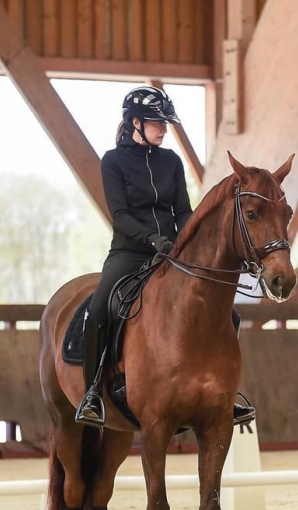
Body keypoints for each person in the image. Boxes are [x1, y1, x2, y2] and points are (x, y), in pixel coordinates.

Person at [75, 85, 255, 428]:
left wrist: (188, 240)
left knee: (227, 314)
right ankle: (93, 392)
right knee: (99, 308)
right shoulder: (113, 161)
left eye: (165, 123)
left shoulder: (170, 161)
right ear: (135, 123)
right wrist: (151, 237)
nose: (164, 129)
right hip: (129, 251)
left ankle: (226, 393)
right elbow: (120, 215)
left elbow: (183, 210)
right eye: (158, 123)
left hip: (173, 253)